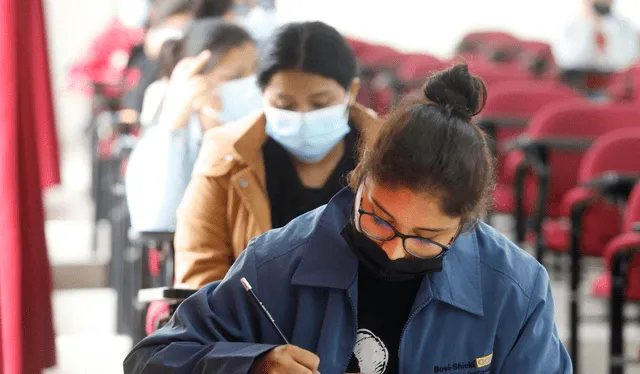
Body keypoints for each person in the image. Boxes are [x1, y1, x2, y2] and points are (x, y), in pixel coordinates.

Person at [124, 64, 571, 374]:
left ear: (465, 224)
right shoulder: (277, 263)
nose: (393, 249)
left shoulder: (514, 287)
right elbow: (151, 360)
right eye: (379, 219)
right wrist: (251, 365)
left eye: (426, 238)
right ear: (360, 179)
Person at [172, 21, 380, 289]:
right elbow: (200, 273)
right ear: (261, 95)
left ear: (351, 92)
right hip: (251, 324)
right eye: (285, 105)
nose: (303, 116)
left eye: (320, 103)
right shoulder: (227, 156)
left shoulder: (390, 155)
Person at [126, 19, 260, 232]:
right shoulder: (164, 142)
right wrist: (175, 123)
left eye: (256, 71)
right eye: (234, 77)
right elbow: (157, 222)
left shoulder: (270, 129)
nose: (252, 84)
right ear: (196, 82)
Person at [553, 0, 639, 72]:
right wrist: (590, 24)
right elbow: (570, 61)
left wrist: (605, 26)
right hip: (580, 84)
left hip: (616, 84)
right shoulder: (571, 26)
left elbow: (624, 61)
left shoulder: (625, 27)